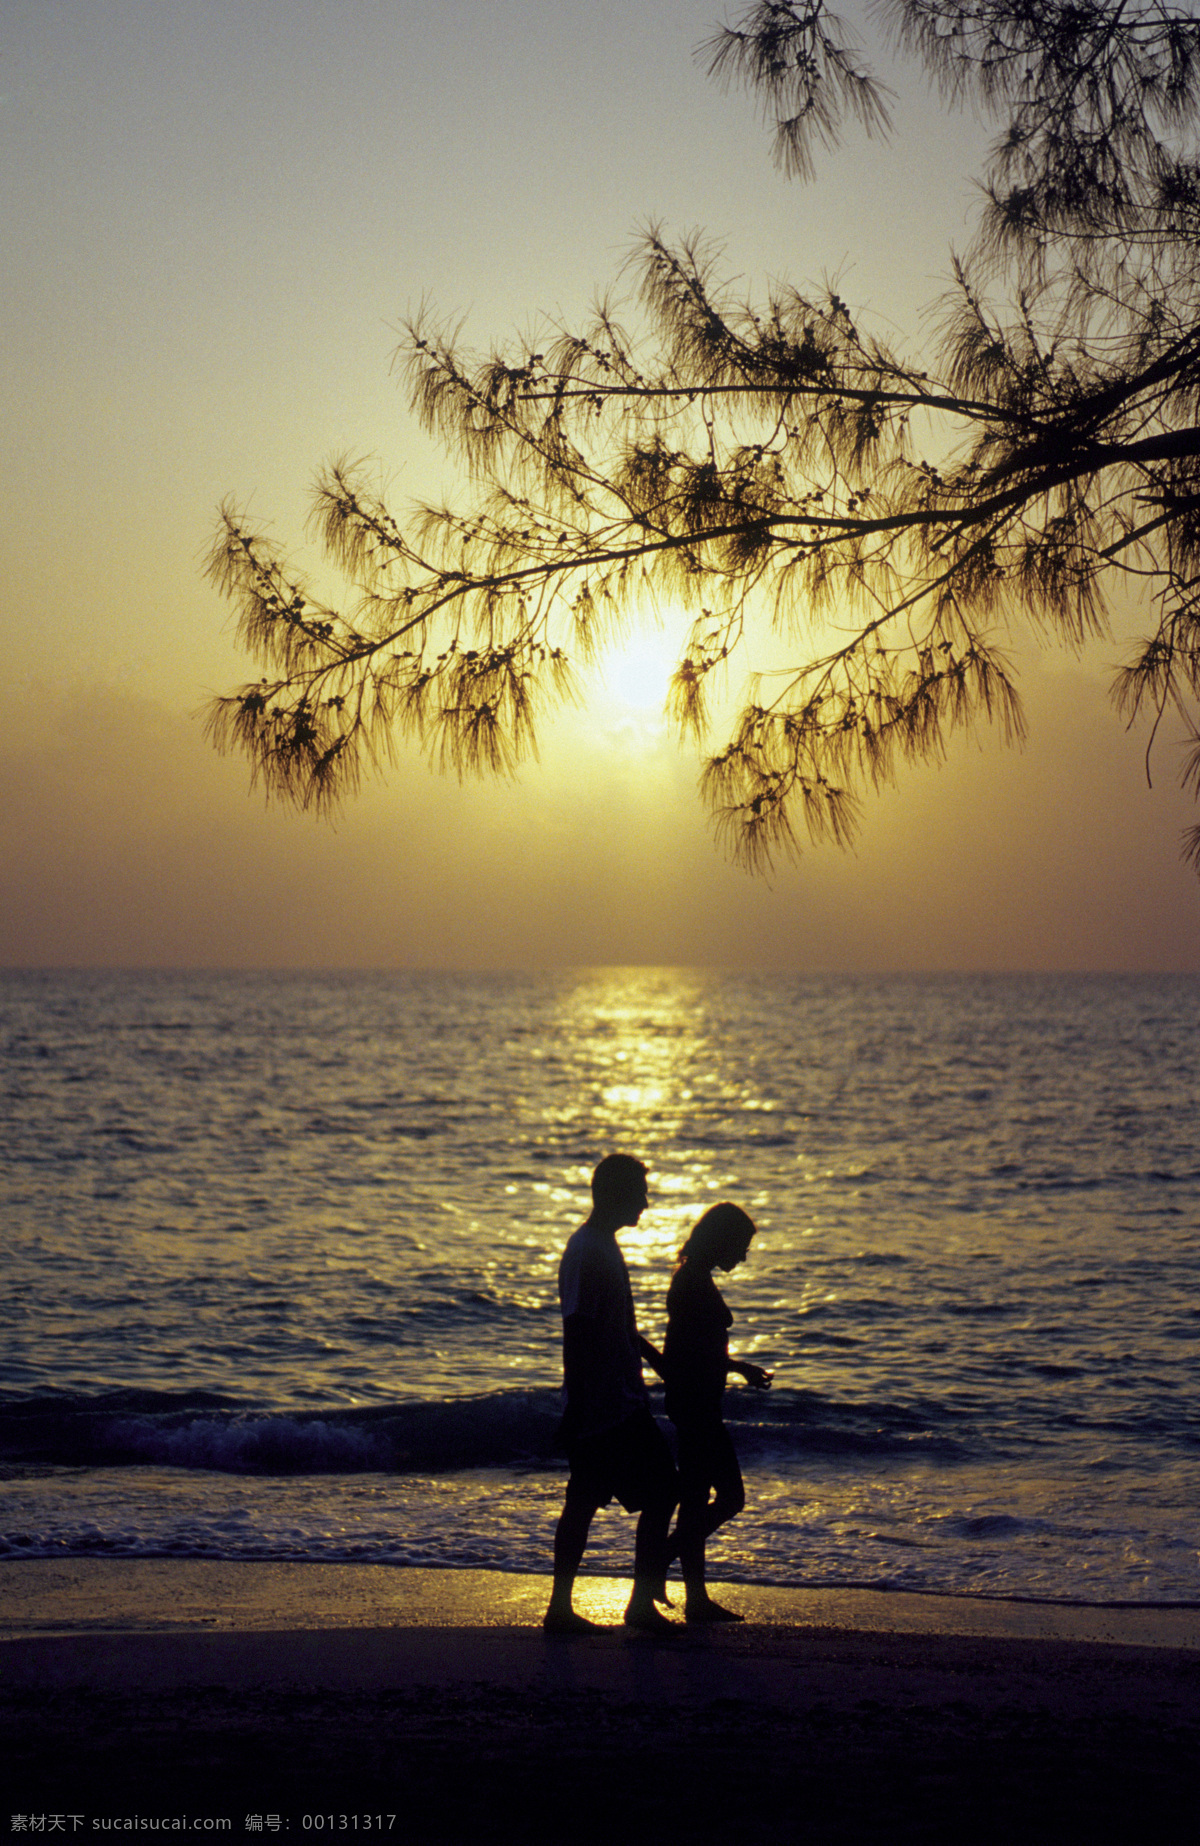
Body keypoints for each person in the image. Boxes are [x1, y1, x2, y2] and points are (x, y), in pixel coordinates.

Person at [544, 1153, 680, 1635]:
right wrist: (579, 1406)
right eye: (640, 1193)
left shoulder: (602, 1246)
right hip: (606, 1406)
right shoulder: (588, 1251)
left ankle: (564, 1607)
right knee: (662, 1488)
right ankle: (632, 1605)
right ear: (617, 1194)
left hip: (615, 1400)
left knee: (585, 1499)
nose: (646, 1203)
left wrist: (656, 1361)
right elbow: (577, 1330)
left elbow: (615, 1320)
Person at [663, 1201, 772, 1623]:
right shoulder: (691, 1282)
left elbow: (698, 1346)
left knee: (694, 1501)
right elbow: (683, 1354)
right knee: (731, 1497)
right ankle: (660, 1559)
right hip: (697, 1408)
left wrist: (737, 1368)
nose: (743, 1256)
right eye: (741, 1246)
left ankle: (696, 1599)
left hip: (698, 1404)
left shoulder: (693, 1278)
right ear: (722, 1239)